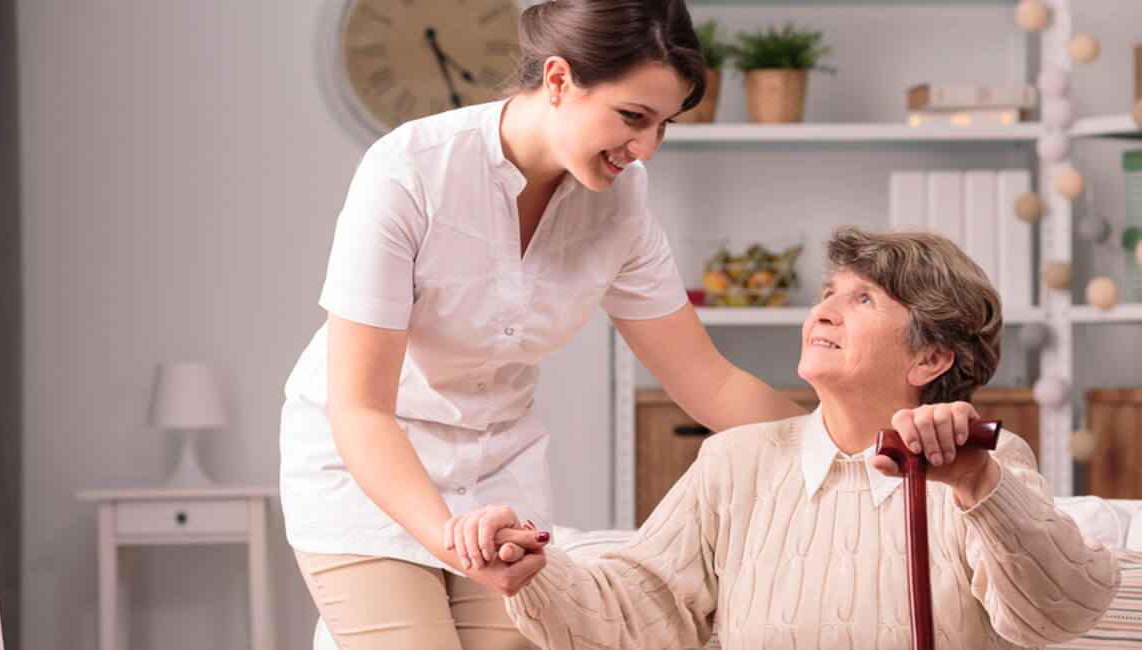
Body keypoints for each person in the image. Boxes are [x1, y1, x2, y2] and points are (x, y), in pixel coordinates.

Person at [280, 1, 987, 647]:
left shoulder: (618, 204)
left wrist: (854, 454)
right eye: (632, 117)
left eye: (664, 125)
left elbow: (706, 381)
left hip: (495, 474)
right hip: (367, 467)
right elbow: (362, 407)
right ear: (558, 80)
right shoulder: (410, 172)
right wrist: (450, 537)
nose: (647, 147)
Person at [477, 229, 1120, 649]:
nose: (824, 312)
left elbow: (1059, 613)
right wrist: (537, 575)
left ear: (930, 360)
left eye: (865, 300)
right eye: (827, 294)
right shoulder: (738, 462)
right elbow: (642, 611)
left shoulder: (985, 464)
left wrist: (978, 486)